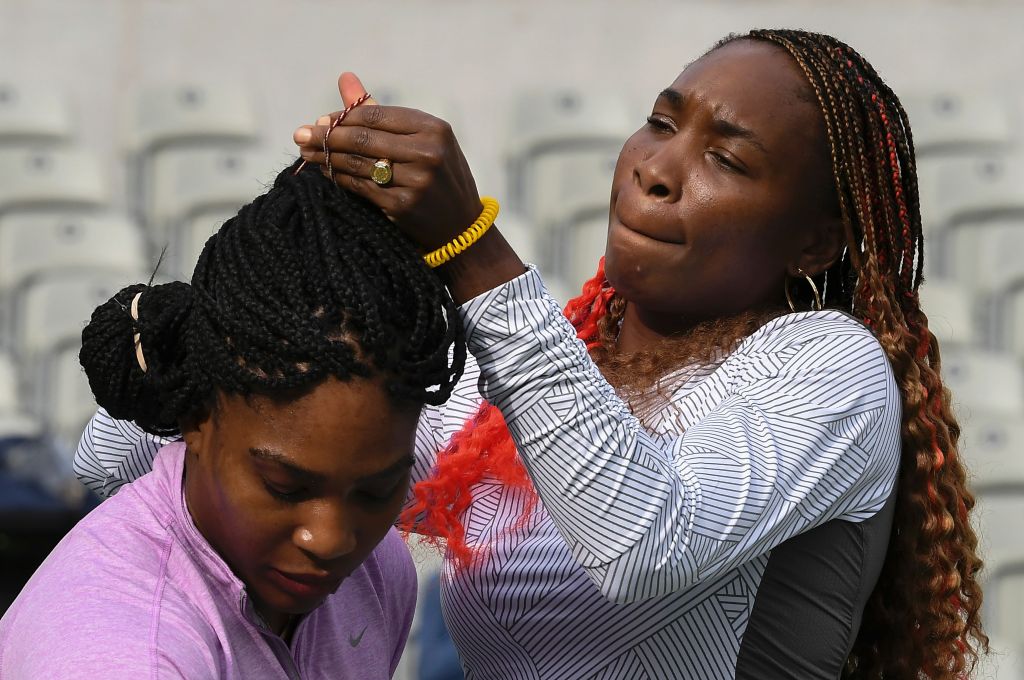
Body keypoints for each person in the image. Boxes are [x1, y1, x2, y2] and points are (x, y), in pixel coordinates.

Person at [77, 28, 987, 678]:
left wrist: (470, 247)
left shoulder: (831, 368)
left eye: (730, 161)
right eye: (662, 123)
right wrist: (296, 257)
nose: (659, 167)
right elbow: (115, 465)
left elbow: (643, 542)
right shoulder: (530, 365)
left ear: (815, 242)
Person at [0, 161, 465, 678]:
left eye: (376, 493)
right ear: (198, 418)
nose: (331, 539)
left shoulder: (377, 572)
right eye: (284, 486)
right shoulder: (123, 654)